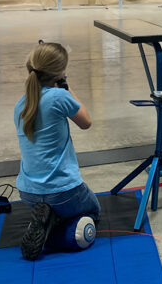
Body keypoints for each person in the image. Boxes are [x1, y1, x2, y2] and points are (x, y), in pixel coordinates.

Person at [14, 42, 100, 260]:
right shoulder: (59, 97)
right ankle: (53, 236)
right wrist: (66, 85)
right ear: (58, 73)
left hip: (28, 192)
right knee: (93, 213)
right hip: (63, 192)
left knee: (60, 209)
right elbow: (86, 121)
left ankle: (45, 221)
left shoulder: (20, 105)